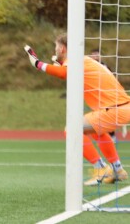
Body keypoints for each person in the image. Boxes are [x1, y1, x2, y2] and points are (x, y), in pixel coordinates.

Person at [24, 34, 130, 186]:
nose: (56, 50)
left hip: (114, 109)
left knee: (72, 129)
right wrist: (58, 65)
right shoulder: (83, 60)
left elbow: (64, 73)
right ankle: (118, 170)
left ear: (62, 48)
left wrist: (38, 64)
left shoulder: (77, 61)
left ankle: (101, 168)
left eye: (56, 47)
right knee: (94, 130)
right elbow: (69, 73)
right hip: (122, 107)